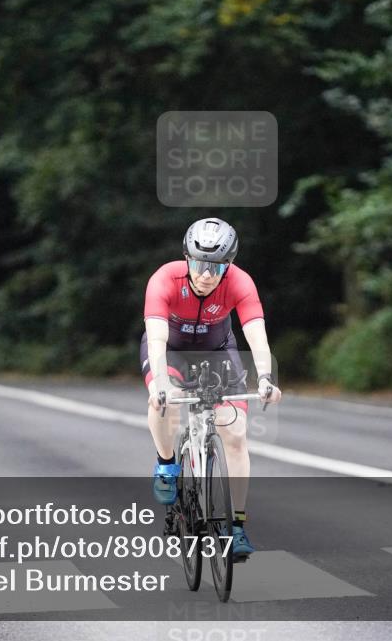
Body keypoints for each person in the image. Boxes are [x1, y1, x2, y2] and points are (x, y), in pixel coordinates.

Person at [142, 218, 282, 559]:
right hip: (171, 352)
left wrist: (265, 377)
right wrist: (161, 384)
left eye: (216, 267)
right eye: (199, 264)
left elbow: (256, 335)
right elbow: (157, 338)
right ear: (186, 258)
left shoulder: (240, 283)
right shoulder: (165, 278)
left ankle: (237, 527)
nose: (206, 274)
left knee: (234, 433)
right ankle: (166, 463)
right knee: (167, 401)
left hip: (219, 352)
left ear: (229, 264)